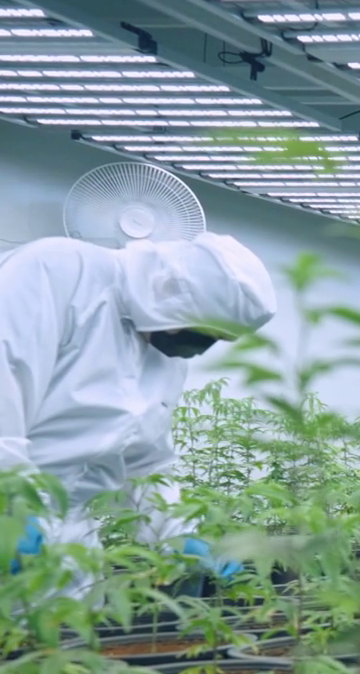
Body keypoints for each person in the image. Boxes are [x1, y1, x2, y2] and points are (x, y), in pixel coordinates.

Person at [0, 234, 277, 576]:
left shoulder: (164, 352)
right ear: (169, 291)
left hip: (68, 542)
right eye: (201, 333)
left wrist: (177, 535)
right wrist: (11, 504)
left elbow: (145, 461)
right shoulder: (59, 270)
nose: (199, 347)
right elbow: (5, 381)